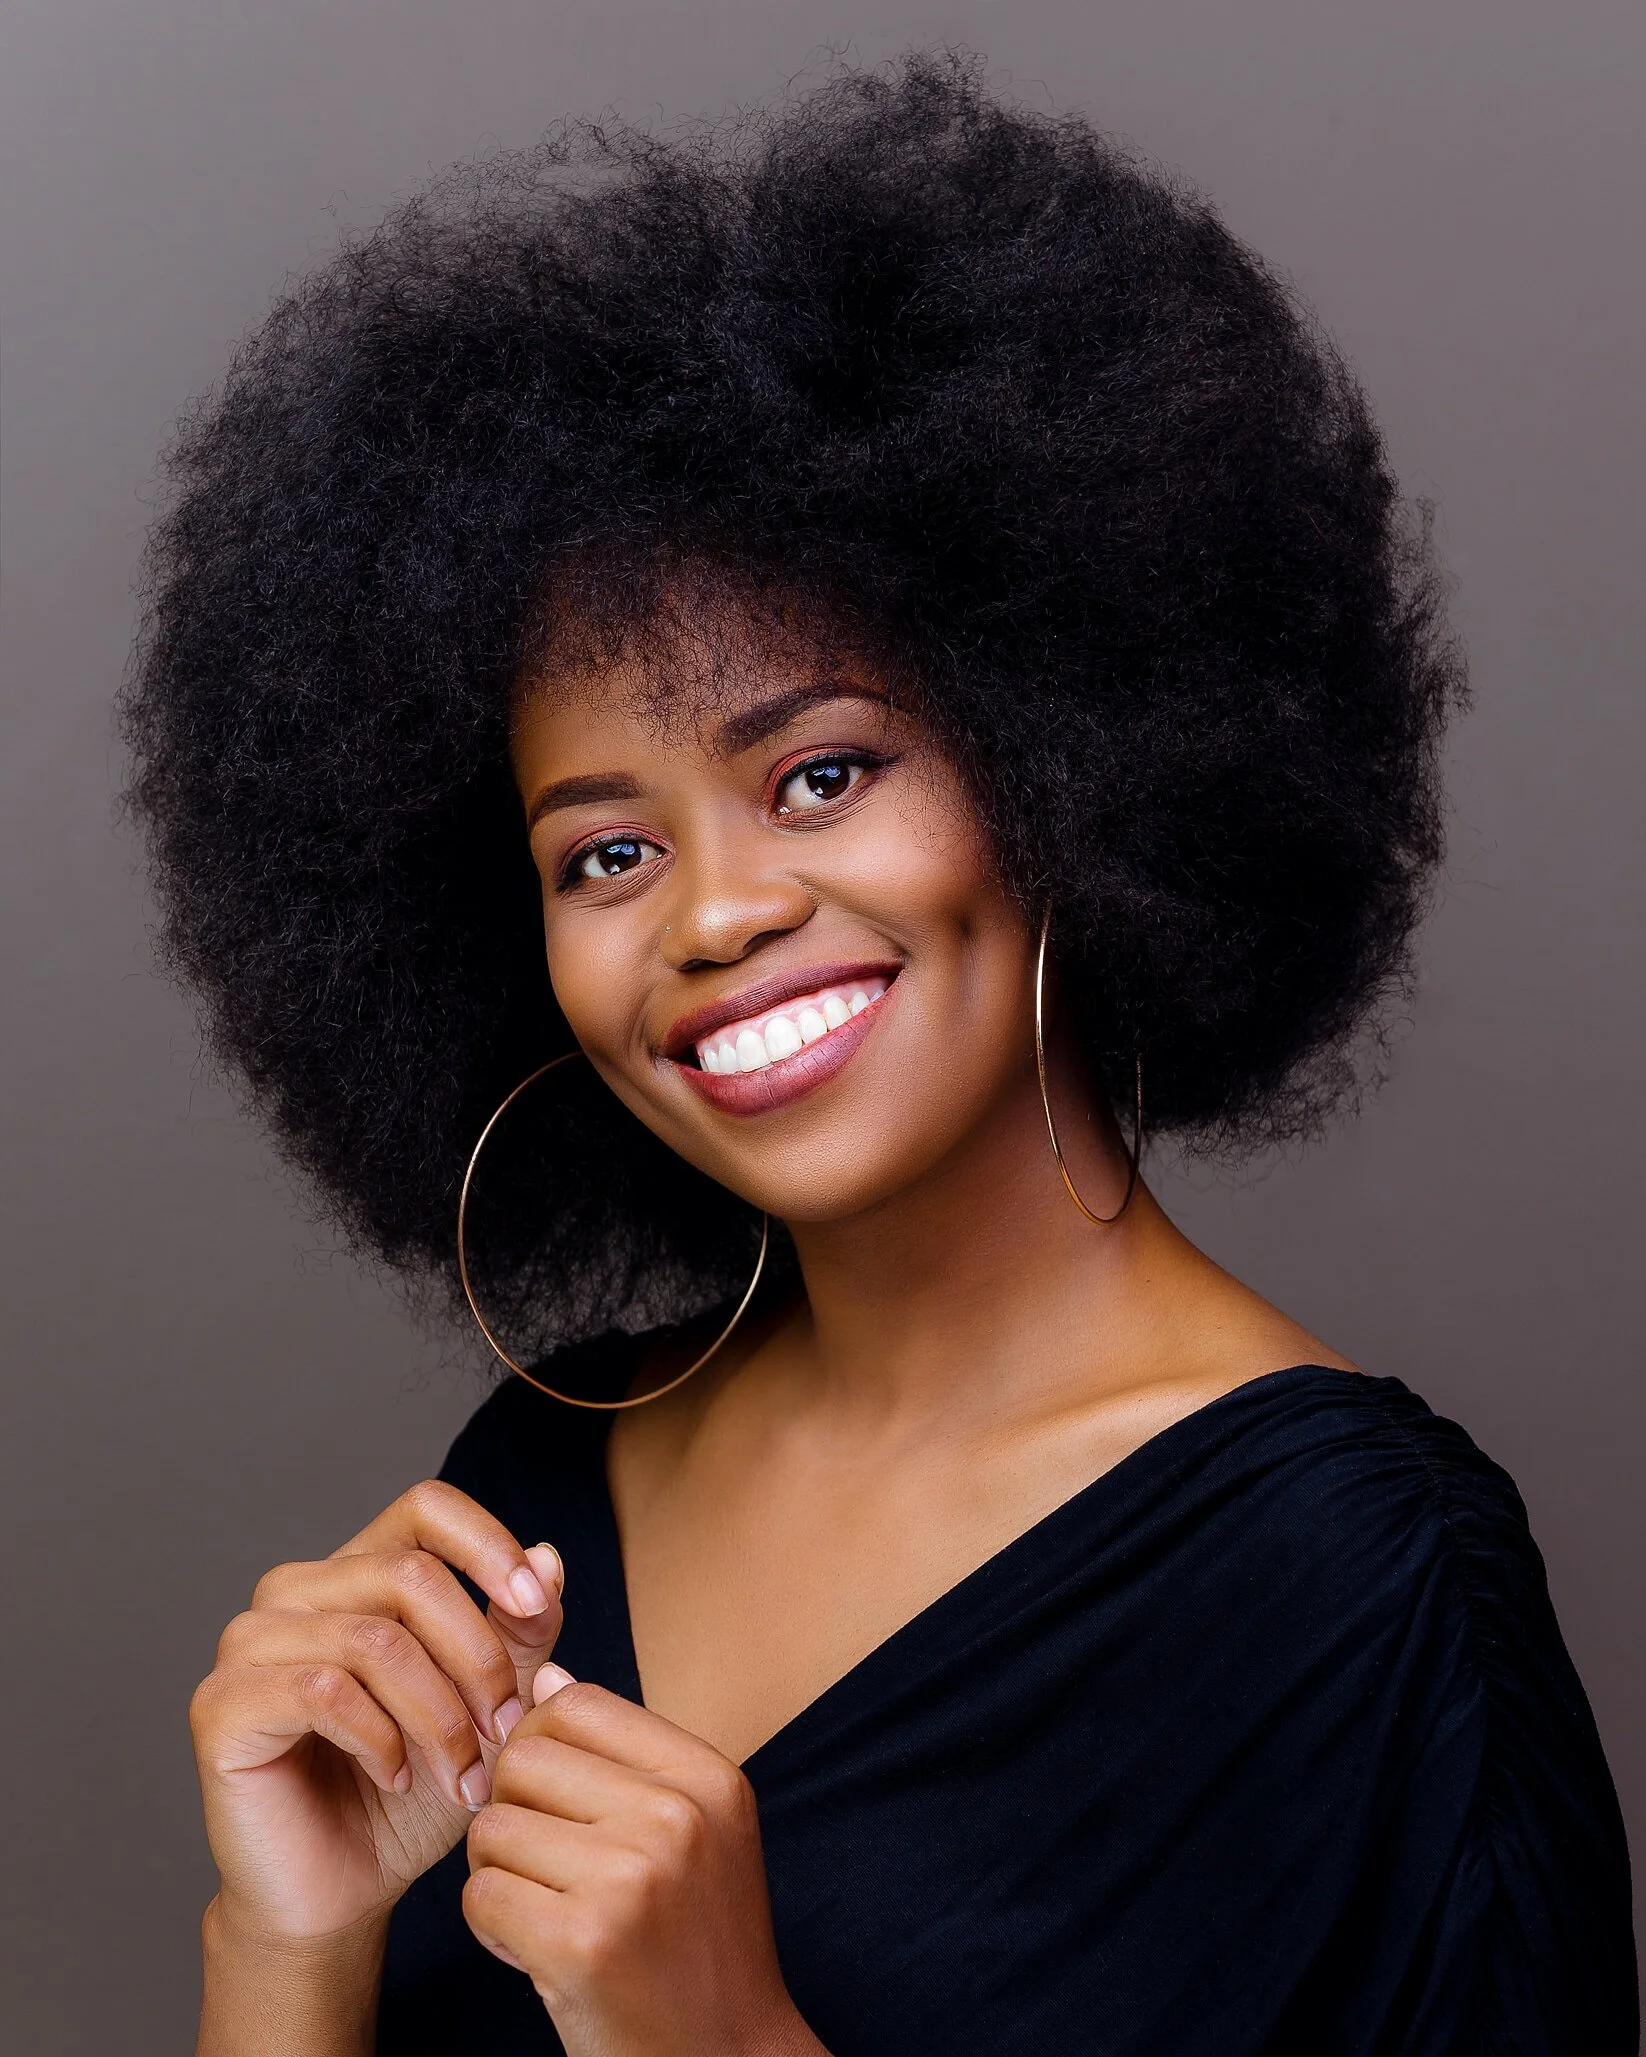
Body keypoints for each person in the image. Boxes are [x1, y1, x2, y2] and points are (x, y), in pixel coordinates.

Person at [125, 53, 1635, 2057]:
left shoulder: (1361, 1587)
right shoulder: (540, 1489)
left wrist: (729, 2034)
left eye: (820, 773)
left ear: (1070, 763)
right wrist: (286, 1939)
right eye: (605, 853)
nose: (713, 914)